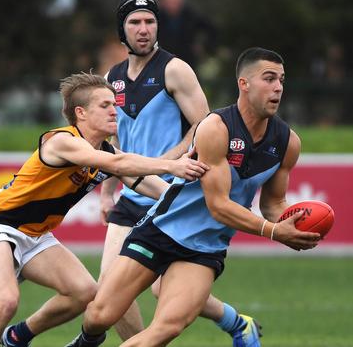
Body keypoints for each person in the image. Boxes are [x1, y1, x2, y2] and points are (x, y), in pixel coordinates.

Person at [66, 47, 321, 347]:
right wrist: (275, 232)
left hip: (204, 249)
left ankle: (237, 324)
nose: (278, 87)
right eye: (269, 78)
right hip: (160, 230)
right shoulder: (216, 127)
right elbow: (219, 206)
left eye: (281, 80)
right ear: (244, 84)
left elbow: (273, 203)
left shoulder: (287, 142)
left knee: (166, 328)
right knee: (98, 315)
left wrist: (296, 224)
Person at [0, 72, 209, 347]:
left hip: (36, 235)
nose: (114, 110)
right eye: (105, 105)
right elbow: (120, 165)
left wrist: (195, 204)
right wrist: (172, 165)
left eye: (114, 104)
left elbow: (147, 184)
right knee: (6, 301)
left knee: (83, 292)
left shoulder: (105, 152)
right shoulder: (62, 141)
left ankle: (17, 336)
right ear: (80, 113)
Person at [97, 0, 261, 345]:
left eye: (150, 22)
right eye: (135, 23)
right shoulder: (113, 78)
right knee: (109, 294)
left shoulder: (175, 69)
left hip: (169, 195)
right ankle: (231, 324)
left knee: (161, 290)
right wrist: (108, 190)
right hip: (131, 194)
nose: (143, 30)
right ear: (121, 31)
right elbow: (116, 143)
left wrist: (168, 163)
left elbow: (207, 127)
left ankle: (235, 323)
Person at [157, 0, 217, 71]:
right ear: (164, 2)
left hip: (187, 60)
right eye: (170, 2)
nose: (173, 6)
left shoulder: (191, 15)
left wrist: (204, 47)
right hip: (163, 59)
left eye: (176, 2)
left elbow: (211, 29)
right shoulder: (156, 17)